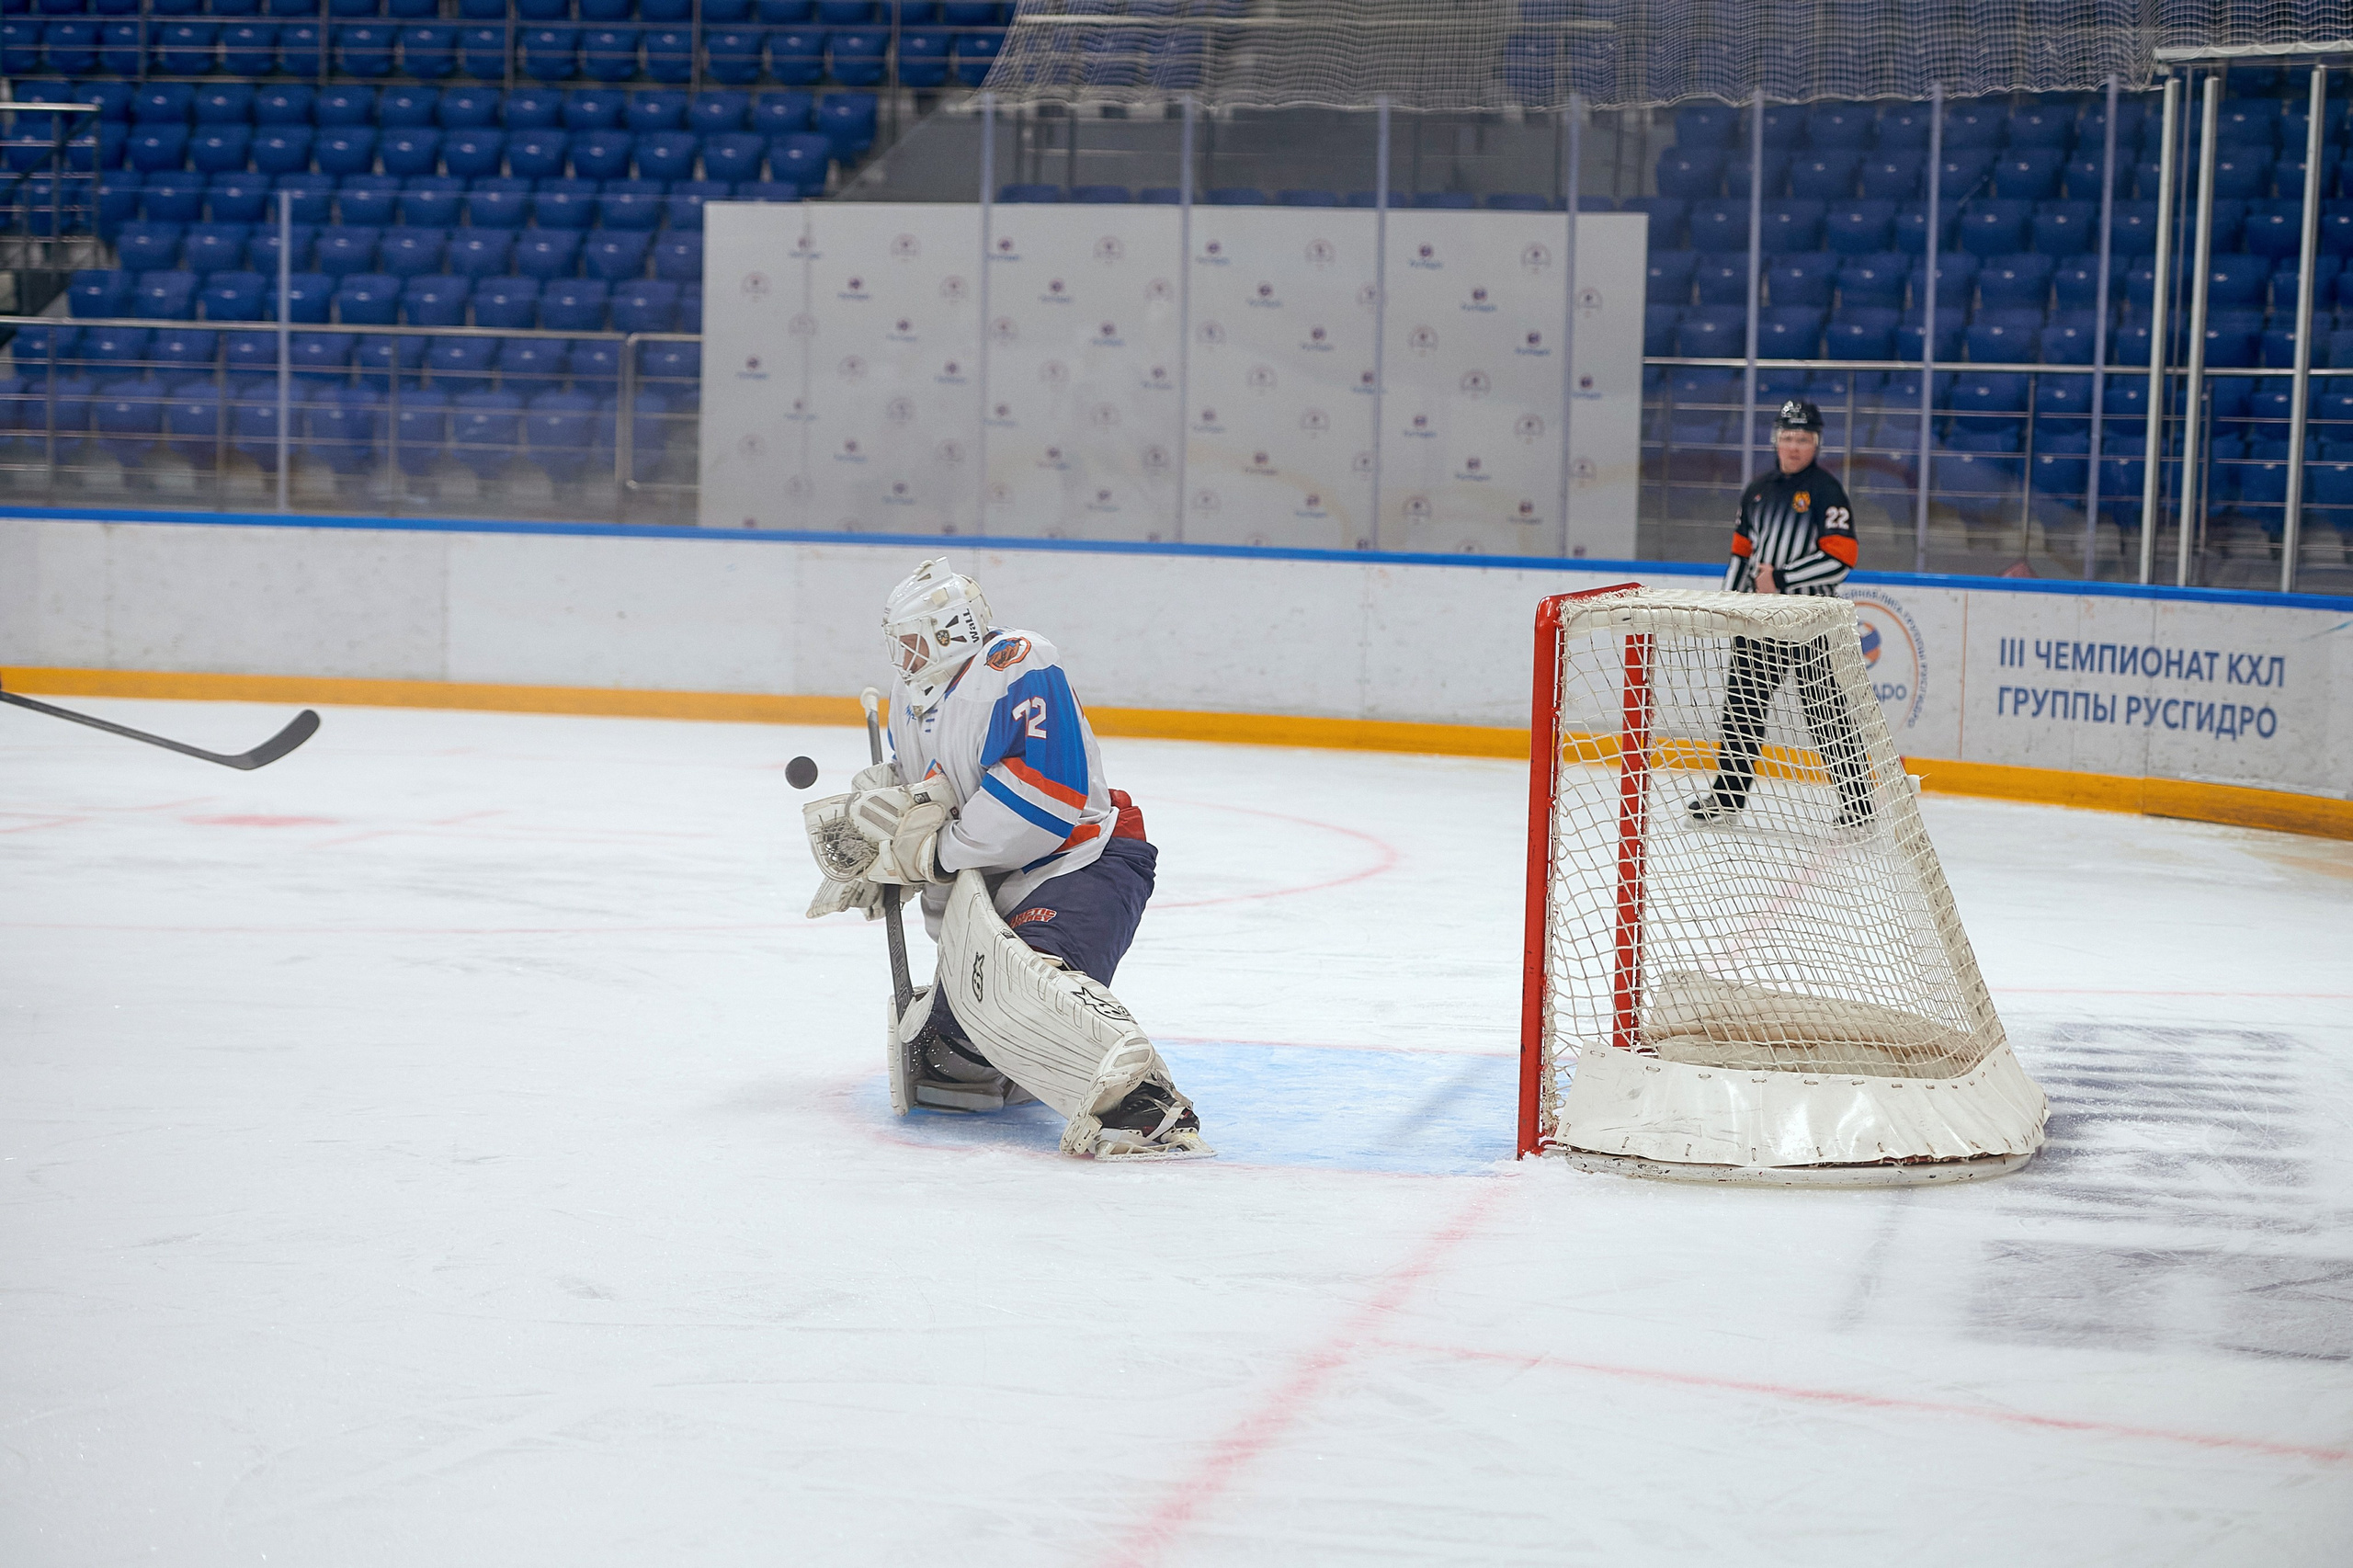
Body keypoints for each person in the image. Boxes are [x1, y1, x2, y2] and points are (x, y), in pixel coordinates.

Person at [810, 557, 1211, 1160]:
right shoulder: (911, 695)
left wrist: (933, 855)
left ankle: (1146, 1105)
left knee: (1023, 980)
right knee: (951, 1055)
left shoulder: (1017, 663)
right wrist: (887, 822)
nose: (905, 658)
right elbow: (938, 787)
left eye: (915, 642)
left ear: (953, 630)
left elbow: (1043, 801)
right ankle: (1023, 1056)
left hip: (1085, 860)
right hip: (999, 886)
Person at [1689, 399, 1874, 827]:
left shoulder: (1828, 492)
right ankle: (1727, 798)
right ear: (1776, 440)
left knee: (1825, 708)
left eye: (1803, 439)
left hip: (1809, 620)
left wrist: (1783, 579)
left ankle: (1859, 801)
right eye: (1788, 437)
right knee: (1742, 706)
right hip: (1759, 620)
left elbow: (1843, 557)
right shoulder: (1757, 490)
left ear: (1816, 443)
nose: (1794, 446)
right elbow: (1741, 552)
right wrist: (1729, 603)